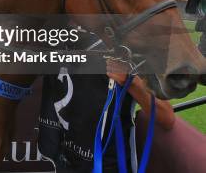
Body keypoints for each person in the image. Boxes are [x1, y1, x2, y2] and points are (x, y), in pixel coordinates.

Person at [38, 32, 175, 173]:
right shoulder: (60, 37)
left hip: (108, 166)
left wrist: (131, 81)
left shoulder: (125, 47)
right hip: (65, 160)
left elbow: (166, 116)